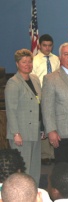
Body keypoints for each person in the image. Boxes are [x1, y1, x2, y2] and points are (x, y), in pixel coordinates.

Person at [5, 49, 41, 184]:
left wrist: (42, 127)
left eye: (30, 61)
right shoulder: (13, 83)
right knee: (23, 168)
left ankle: (34, 191)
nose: (28, 64)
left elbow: (39, 104)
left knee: (35, 167)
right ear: (17, 64)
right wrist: (16, 133)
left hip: (35, 131)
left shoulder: (35, 79)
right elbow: (11, 110)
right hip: (20, 133)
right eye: (24, 62)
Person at [32, 34, 59, 166]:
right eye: (44, 45)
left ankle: (54, 153)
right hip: (41, 95)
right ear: (39, 45)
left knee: (54, 123)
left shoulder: (56, 59)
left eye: (50, 45)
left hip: (56, 95)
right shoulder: (34, 60)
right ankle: (44, 155)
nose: (47, 48)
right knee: (43, 124)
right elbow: (33, 80)